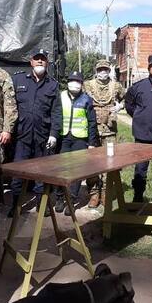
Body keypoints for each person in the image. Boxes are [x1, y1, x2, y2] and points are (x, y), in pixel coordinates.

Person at [8, 49, 62, 218]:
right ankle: (16, 206)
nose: (39, 62)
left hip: (42, 137)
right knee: (18, 173)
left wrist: (54, 133)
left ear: (47, 63)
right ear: (31, 62)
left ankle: (41, 205)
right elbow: (10, 107)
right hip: (22, 137)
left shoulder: (52, 85)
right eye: (36, 59)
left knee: (41, 173)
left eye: (43, 60)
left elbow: (56, 112)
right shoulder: (18, 80)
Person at [54, 71, 98, 216]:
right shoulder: (60, 96)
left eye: (78, 81)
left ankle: (72, 200)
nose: (75, 83)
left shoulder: (86, 99)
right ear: (68, 82)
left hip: (80, 139)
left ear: (81, 84)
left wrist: (92, 142)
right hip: (64, 138)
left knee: (77, 171)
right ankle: (59, 198)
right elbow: (55, 116)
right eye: (72, 80)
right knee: (61, 169)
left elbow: (92, 122)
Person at [125, 54, 152, 203]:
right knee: (140, 169)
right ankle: (138, 197)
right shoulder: (138, 86)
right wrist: (138, 116)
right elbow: (129, 104)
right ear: (149, 67)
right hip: (142, 135)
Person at [83, 59, 125, 208]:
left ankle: (106, 192)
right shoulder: (87, 85)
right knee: (92, 163)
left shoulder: (116, 86)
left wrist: (120, 106)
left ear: (109, 71)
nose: (103, 72)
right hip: (93, 130)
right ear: (96, 70)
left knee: (109, 162)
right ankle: (94, 193)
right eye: (100, 69)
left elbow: (125, 98)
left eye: (105, 70)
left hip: (109, 131)